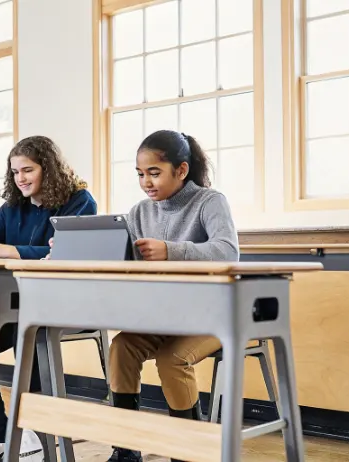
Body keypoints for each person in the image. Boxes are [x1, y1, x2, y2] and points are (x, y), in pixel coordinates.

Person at [0, 135, 97, 461]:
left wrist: (5, 250)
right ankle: (0, 435)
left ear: (49, 167)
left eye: (27, 170)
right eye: (15, 172)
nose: (20, 179)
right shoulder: (12, 208)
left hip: (62, 303)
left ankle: (34, 432)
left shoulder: (80, 201)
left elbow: (65, 253)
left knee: (25, 337)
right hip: (17, 305)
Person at [105, 130, 238, 462]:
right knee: (121, 346)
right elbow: (129, 263)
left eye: (154, 172)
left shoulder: (210, 201)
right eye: (140, 174)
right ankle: (125, 450)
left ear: (181, 170)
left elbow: (227, 251)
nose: (146, 182)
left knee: (172, 358)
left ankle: (187, 451)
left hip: (211, 315)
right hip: (162, 315)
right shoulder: (139, 212)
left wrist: (171, 250)